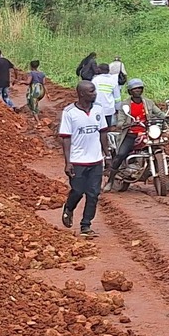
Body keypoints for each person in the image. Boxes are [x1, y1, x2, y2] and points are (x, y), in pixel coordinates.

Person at [57, 81, 106, 237]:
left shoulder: (98, 109)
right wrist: (68, 162)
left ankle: (86, 225)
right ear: (82, 94)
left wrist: (108, 154)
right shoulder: (69, 112)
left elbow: (103, 132)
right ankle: (69, 207)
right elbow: (66, 138)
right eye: (91, 91)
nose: (95, 93)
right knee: (78, 190)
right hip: (77, 160)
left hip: (96, 160)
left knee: (93, 194)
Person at [109, 79, 150, 174]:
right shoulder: (125, 105)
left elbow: (158, 113)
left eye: (140, 88)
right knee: (121, 154)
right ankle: (111, 178)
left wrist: (167, 117)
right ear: (130, 91)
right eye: (135, 89)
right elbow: (120, 122)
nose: (138, 90)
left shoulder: (148, 103)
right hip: (130, 134)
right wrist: (128, 124)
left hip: (145, 133)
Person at [24, 60, 47, 130]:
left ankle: (38, 122)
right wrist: (48, 94)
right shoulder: (42, 74)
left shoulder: (31, 73)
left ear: (31, 66)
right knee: (34, 103)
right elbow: (44, 83)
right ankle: (35, 117)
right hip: (42, 90)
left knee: (33, 105)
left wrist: (21, 82)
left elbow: (28, 82)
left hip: (35, 90)